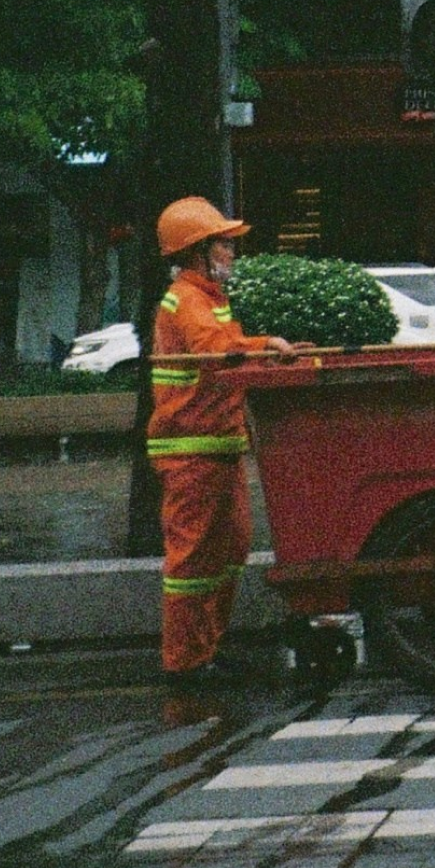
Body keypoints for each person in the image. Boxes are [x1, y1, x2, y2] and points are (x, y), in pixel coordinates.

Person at [148, 197, 303, 687]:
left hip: (217, 445)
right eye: (224, 243)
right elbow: (215, 352)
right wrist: (265, 346)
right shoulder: (188, 300)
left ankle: (204, 651)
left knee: (230, 549)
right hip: (190, 450)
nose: (232, 251)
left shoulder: (208, 296)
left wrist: (262, 349)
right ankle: (184, 664)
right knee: (192, 560)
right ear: (197, 250)